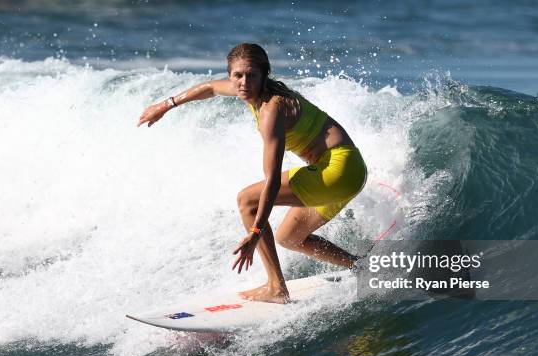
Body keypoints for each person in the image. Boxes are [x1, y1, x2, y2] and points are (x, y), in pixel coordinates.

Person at [137, 43, 367, 304]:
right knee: (289, 238)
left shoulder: (272, 110)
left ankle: (276, 288)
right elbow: (210, 87)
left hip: (338, 169)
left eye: (251, 75)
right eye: (237, 75)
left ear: (263, 76)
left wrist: (256, 231)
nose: (243, 82)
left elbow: (271, 179)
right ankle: (361, 267)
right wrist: (167, 105)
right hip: (350, 171)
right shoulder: (246, 91)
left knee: (247, 199)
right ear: (231, 75)